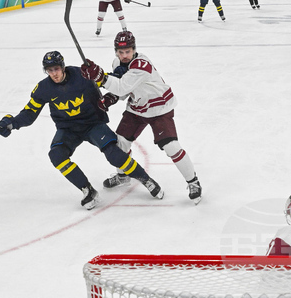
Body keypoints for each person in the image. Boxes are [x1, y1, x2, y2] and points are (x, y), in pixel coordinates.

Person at [0, 50, 164, 209]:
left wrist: (119, 73)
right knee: (56, 155)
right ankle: (88, 190)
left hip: (92, 124)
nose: (53, 73)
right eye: (49, 70)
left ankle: (145, 179)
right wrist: (11, 123)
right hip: (68, 129)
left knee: (114, 153)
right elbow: (30, 112)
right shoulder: (43, 88)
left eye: (56, 69)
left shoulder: (82, 75)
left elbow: (109, 82)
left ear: (63, 67)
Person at [80, 31, 202, 204]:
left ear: (134, 50)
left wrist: (100, 77)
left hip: (159, 108)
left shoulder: (141, 65)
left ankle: (193, 182)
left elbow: (122, 86)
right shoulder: (118, 63)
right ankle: (123, 176)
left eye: (127, 51)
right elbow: (124, 88)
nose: (124, 56)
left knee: (171, 147)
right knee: (120, 143)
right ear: (116, 51)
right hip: (137, 107)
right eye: (120, 52)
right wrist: (112, 97)